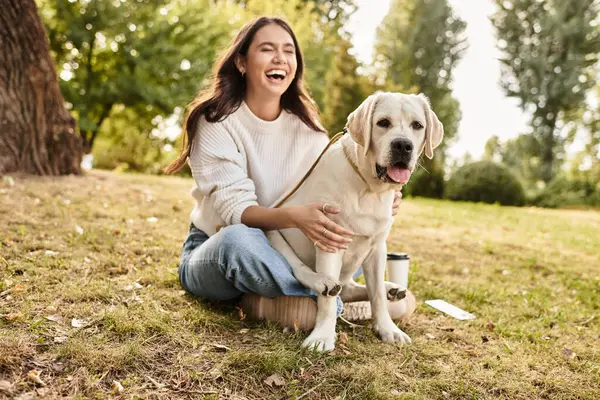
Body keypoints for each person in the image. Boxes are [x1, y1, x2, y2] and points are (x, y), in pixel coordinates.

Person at [165, 16, 403, 328]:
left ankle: (301, 298)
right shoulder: (215, 122)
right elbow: (236, 211)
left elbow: (336, 191)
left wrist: (379, 191)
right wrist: (295, 216)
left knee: (345, 245)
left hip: (297, 251)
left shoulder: (311, 132)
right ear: (241, 62)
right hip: (221, 247)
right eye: (267, 49)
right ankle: (335, 300)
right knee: (239, 241)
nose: (280, 58)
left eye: (288, 51)